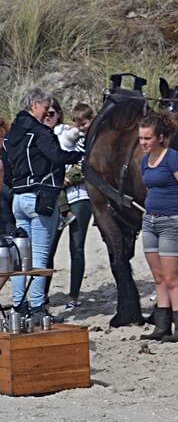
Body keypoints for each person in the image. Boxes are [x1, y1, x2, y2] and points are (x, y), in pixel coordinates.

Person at [2, 89, 84, 316]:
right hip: (40, 198)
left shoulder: (12, 134)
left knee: (21, 259)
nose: (48, 110)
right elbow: (57, 156)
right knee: (39, 256)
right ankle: (37, 306)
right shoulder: (38, 131)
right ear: (35, 104)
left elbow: (7, 168)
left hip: (18, 198)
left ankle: (19, 305)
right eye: (45, 106)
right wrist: (79, 157)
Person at [136, 109, 178, 342]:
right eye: (141, 138)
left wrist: (173, 203)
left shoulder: (172, 158)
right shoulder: (145, 161)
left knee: (173, 278)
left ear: (160, 137)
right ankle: (161, 326)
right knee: (159, 277)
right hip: (150, 221)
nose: (143, 143)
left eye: (147, 138)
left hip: (172, 222)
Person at [54, 102, 95, 310]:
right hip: (58, 195)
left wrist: (72, 176)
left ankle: (73, 296)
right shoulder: (58, 134)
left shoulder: (91, 138)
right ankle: (40, 296)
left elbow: (90, 164)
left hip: (80, 196)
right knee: (49, 247)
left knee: (76, 247)